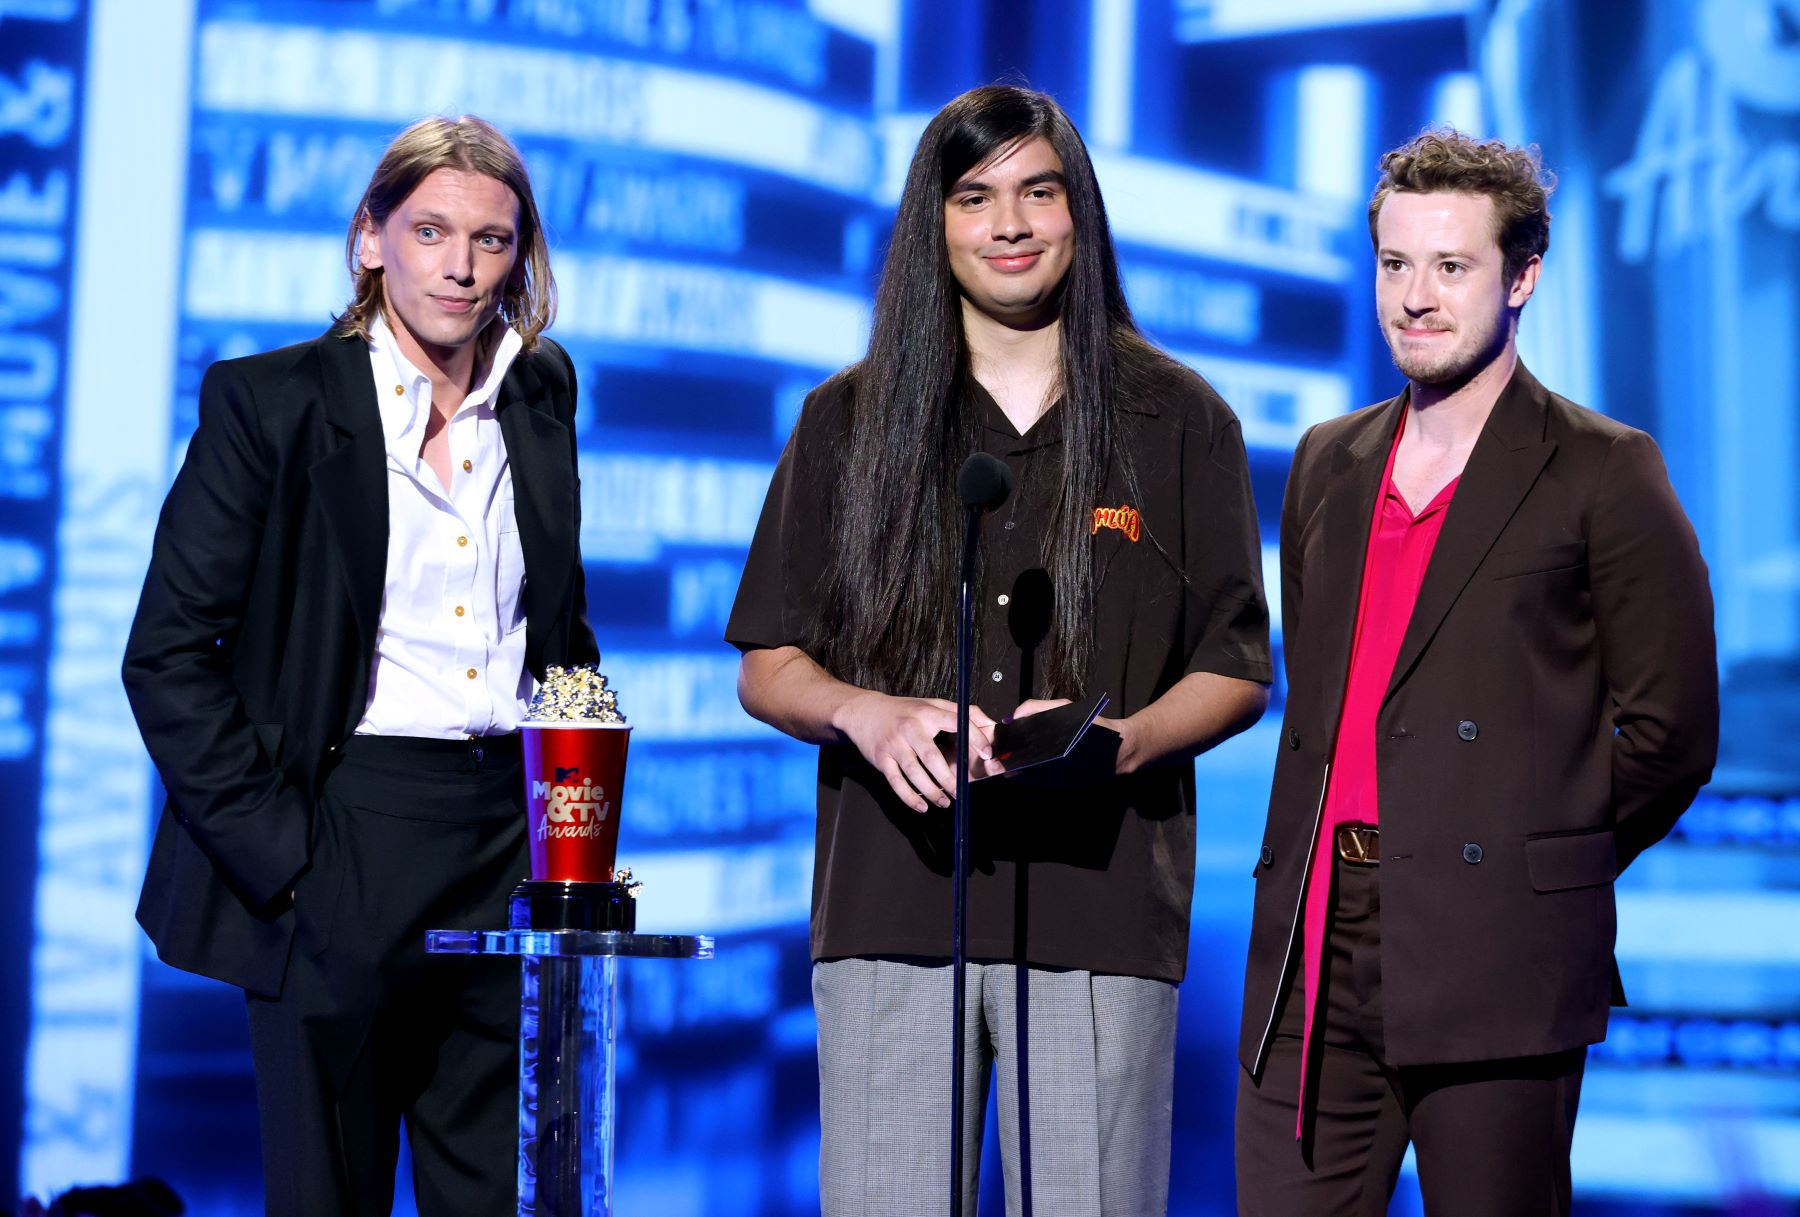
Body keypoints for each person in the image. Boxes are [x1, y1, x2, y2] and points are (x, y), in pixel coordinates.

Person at [727, 84, 1271, 1216]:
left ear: (1082, 211)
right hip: (892, 903)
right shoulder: (848, 420)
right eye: (974, 197)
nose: (1008, 223)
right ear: (935, 223)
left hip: (1099, 905)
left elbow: (1235, 664)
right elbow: (770, 660)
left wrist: (1127, 744)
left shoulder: (1182, 420)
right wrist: (866, 714)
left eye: (1037, 191)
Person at [1234, 129, 1719, 1216]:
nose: (1416, 296)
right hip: (1315, 948)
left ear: (1523, 277)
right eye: (1396, 264)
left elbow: (1674, 730)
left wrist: (1533, 857)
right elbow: (1323, 707)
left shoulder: (1603, 468)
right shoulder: (1328, 459)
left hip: (1495, 948)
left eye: (1451, 267)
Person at [123, 115, 596, 1216]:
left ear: (520, 254)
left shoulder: (541, 395)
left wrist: (574, 830)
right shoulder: (272, 403)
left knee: (500, 1194)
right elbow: (169, 653)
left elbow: (563, 633)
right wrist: (283, 857)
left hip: (501, 838)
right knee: (328, 1195)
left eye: (491, 237)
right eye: (430, 230)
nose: (461, 265)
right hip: (339, 828)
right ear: (371, 238)